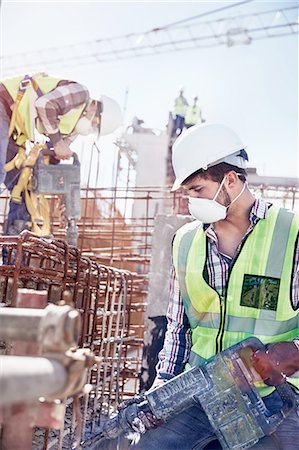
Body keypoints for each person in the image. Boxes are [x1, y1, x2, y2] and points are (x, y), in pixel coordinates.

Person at [131, 123, 299, 449]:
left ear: (231, 181)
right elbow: (178, 329)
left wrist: (292, 352)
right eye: (188, 193)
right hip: (199, 392)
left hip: (273, 395)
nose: (191, 202)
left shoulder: (291, 233)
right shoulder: (185, 242)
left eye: (198, 190)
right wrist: (162, 389)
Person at [0, 72, 122, 240]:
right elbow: (44, 104)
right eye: (96, 123)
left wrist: (60, 194)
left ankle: (11, 254)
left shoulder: (72, 131)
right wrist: (57, 142)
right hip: (4, 102)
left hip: (13, 130)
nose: (91, 128)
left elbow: (52, 162)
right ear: (94, 107)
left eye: (95, 129)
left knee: (23, 192)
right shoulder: (80, 93)